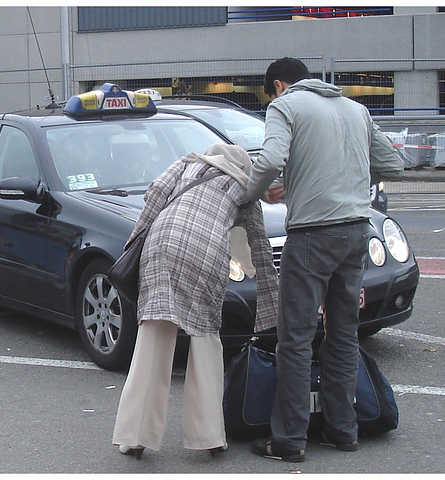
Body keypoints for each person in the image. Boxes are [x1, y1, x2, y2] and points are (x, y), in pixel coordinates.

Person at [244, 57, 404, 462]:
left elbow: (272, 159)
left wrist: (253, 193)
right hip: (356, 227)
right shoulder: (356, 108)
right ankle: (342, 430)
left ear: (279, 85)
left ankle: (288, 440)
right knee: (344, 333)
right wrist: (345, 182)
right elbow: (393, 165)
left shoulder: (286, 106)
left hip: (313, 233)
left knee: (295, 338)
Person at [112, 144, 279, 459]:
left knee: (153, 338)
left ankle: (134, 436)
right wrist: (272, 306)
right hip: (206, 253)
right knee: (205, 340)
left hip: (161, 244)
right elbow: (256, 242)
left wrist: (133, 241)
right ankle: (209, 436)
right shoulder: (246, 185)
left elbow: (155, 193)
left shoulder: (187, 164)